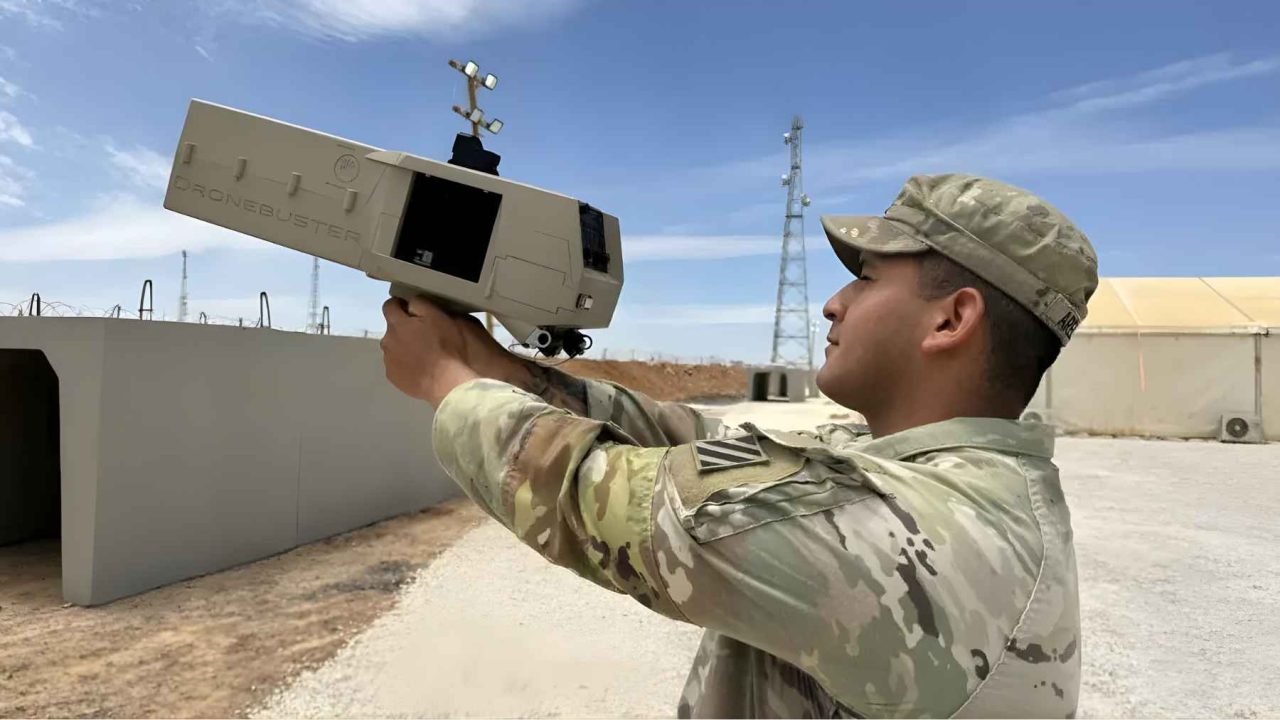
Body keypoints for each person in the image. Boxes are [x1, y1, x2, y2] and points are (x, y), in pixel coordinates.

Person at [380, 173, 1099, 718]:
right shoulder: (918, 468)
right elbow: (704, 444)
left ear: (951, 320)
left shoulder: (927, 532)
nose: (834, 303)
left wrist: (448, 382)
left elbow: (605, 503)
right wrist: (505, 372)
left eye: (866, 277)